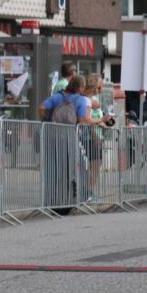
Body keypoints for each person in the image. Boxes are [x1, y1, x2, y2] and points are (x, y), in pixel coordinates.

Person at [39, 75, 91, 211]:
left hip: (53, 136)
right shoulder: (80, 100)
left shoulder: (57, 97)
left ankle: (52, 201)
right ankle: (72, 199)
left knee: (54, 169)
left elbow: (41, 108)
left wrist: (46, 120)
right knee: (76, 167)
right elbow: (81, 120)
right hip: (70, 138)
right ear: (79, 87)